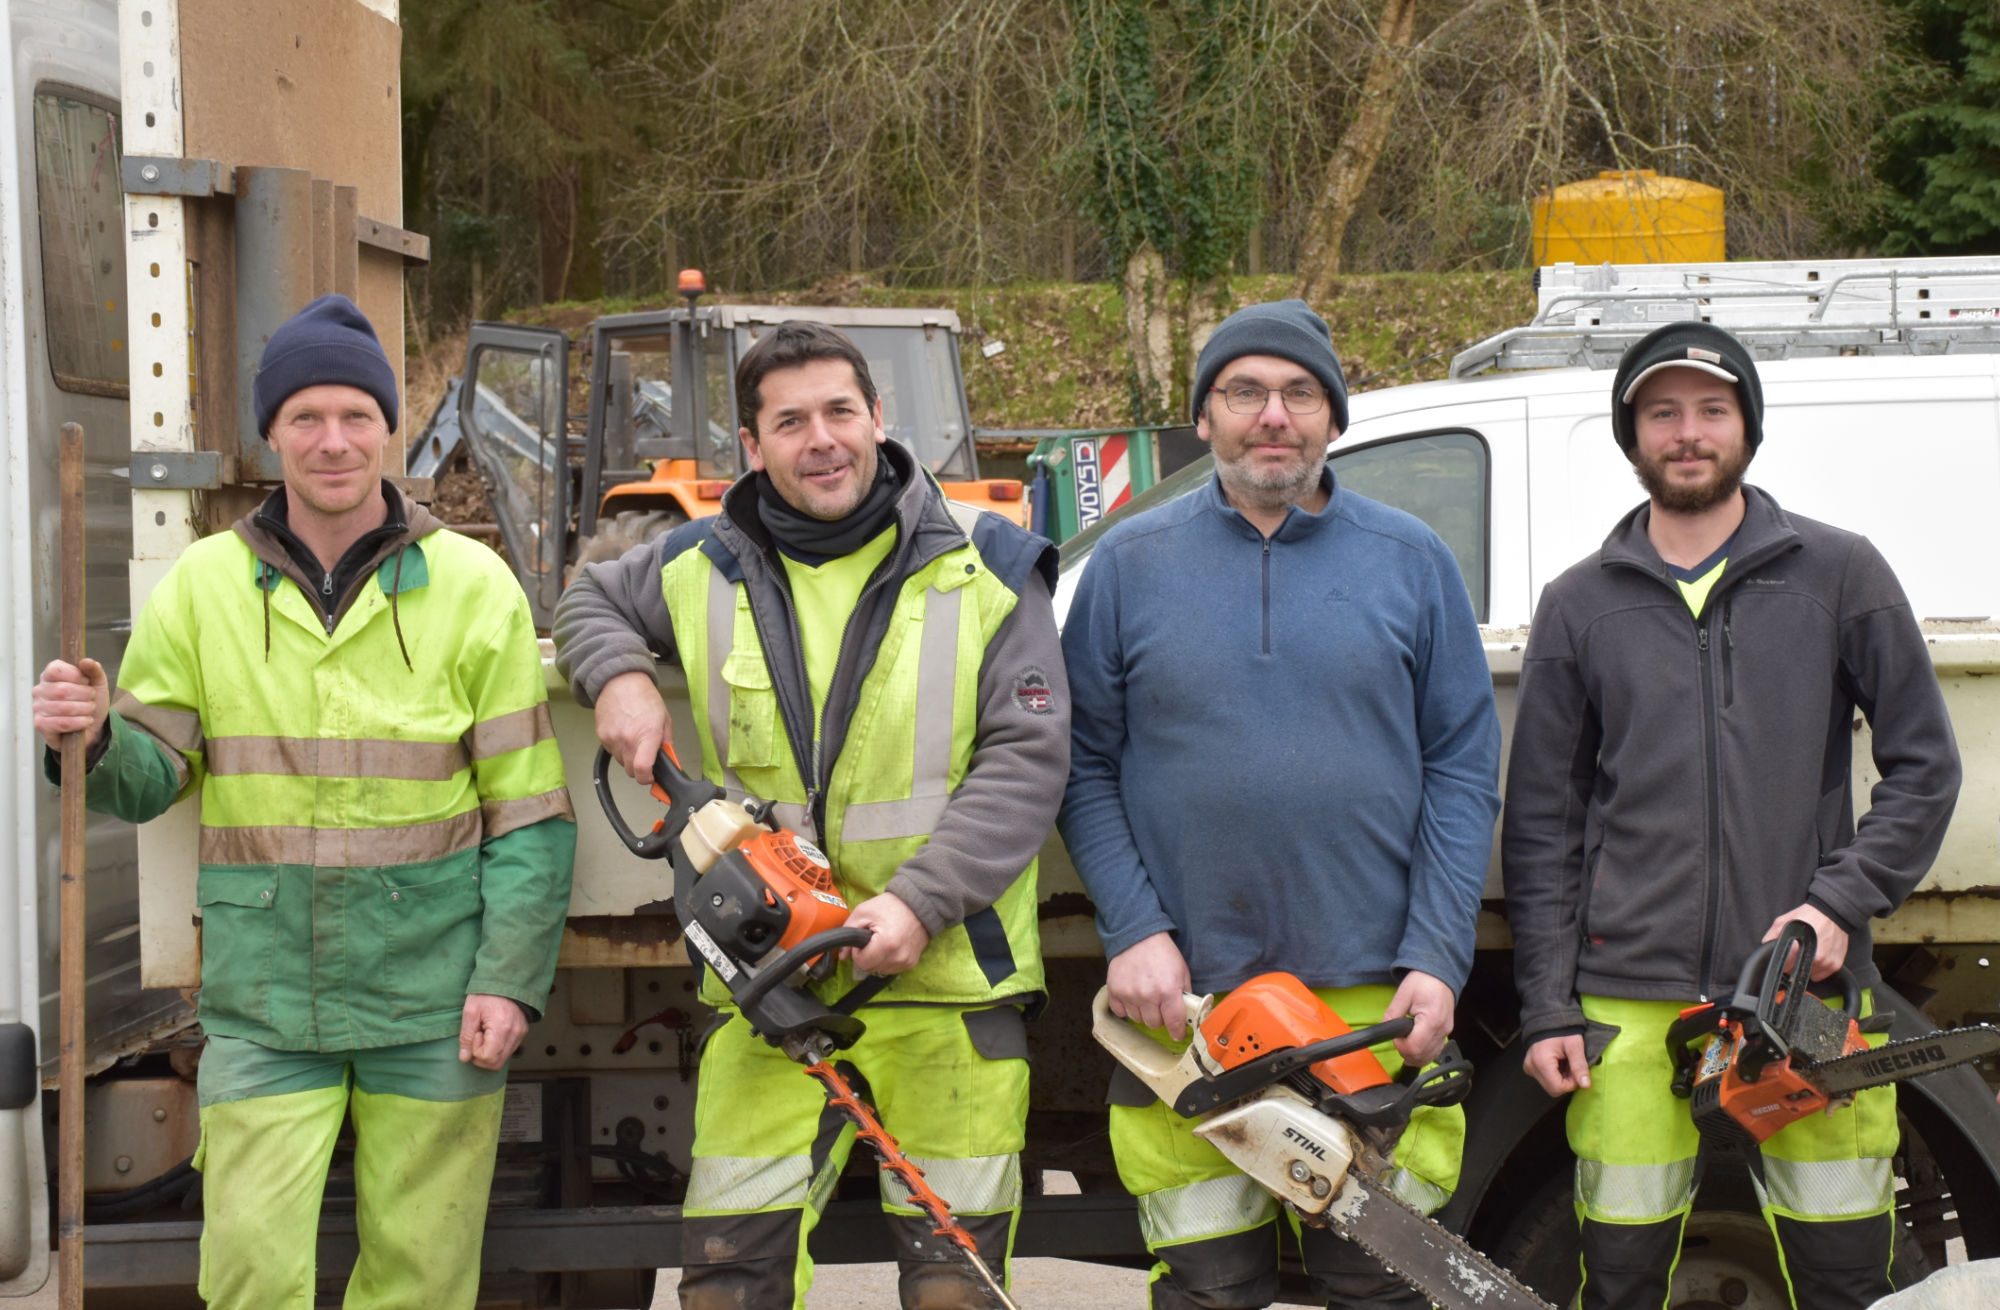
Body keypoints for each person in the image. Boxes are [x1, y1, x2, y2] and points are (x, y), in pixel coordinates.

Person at [31, 294, 576, 1310]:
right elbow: (151, 776)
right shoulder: (201, 586)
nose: (333, 441)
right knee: (248, 1275)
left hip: (434, 993)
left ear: (387, 427)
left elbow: (528, 815)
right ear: (269, 431)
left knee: (420, 1279)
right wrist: (95, 736)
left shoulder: (471, 586)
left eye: (356, 415)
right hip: (266, 998)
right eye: (306, 417)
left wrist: (508, 978)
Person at [553, 319, 1067, 1309]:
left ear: (877, 417)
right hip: (770, 994)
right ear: (750, 446)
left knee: (954, 1291)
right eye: (789, 421)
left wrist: (918, 903)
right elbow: (587, 603)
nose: (820, 437)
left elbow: (1027, 756)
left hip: (947, 987)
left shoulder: (990, 561)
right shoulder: (697, 561)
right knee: (724, 1287)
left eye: (839, 410)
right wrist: (615, 673)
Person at [1502, 320, 1962, 1310]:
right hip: (1624, 1000)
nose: (1686, 432)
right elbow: (1542, 822)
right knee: (1618, 1277)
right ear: (1631, 437)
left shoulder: (1839, 574)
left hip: (1804, 992)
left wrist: (1834, 903)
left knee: (1847, 1273)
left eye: (1710, 409)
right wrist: (1545, 1000)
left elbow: (1923, 766)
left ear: (1746, 426)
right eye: (1660, 412)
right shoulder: (1577, 604)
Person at [1058, 299, 1502, 1309]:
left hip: (1368, 1011)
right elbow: (1081, 764)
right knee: (1206, 1287)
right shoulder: (1130, 564)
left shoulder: (1410, 560)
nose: (1273, 415)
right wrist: (1134, 928)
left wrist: (1435, 957)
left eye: (1299, 392)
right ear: (1205, 416)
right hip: (1188, 1014)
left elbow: (1461, 768)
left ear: (1332, 418)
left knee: (1377, 1283)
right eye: (1244, 391)